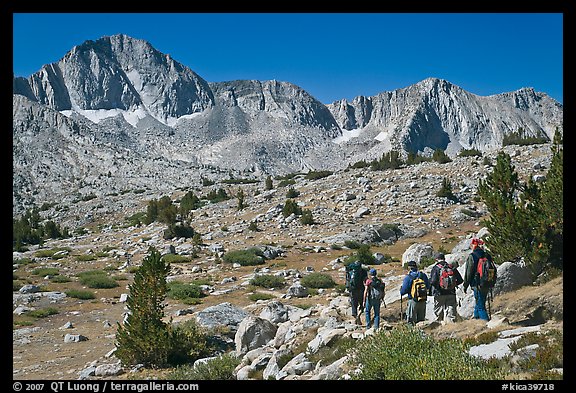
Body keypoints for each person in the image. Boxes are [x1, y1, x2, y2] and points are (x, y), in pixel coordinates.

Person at [463, 238, 494, 321]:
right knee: (480, 301)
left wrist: (465, 285)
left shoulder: (472, 256)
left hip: (477, 283)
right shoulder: (487, 255)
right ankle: (476, 319)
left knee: (481, 306)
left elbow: (468, 273)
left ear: (474, 246)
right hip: (487, 282)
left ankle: (486, 322)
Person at [429, 253, 464, 323]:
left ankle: (439, 324)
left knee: (439, 311)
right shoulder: (451, 267)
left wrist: (438, 287)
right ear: (444, 258)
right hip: (451, 292)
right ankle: (451, 324)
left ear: (437, 259)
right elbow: (460, 280)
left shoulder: (436, 268)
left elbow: (433, 281)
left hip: (439, 293)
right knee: (451, 309)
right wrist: (453, 285)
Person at [399, 260, 430, 324]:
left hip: (413, 300)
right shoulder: (423, 275)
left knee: (411, 321)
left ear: (410, 268)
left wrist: (401, 290)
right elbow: (428, 286)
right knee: (421, 321)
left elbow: (403, 291)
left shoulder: (408, 277)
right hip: (423, 300)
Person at [345, 260, 368, 325]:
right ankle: (359, 315)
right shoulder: (363, 271)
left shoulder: (350, 271)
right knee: (362, 304)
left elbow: (348, 280)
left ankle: (355, 316)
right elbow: (366, 280)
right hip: (361, 289)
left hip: (353, 290)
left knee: (353, 304)